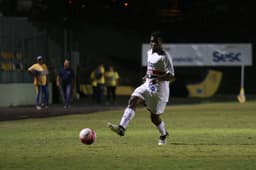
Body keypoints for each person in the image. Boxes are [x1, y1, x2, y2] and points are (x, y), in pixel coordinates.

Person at [108, 31, 175, 145]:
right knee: (133, 99)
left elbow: (171, 74)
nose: (153, 43)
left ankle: (163, 135)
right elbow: (151, 69)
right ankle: (122, 128)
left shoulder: (165, 56)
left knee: (154, 117)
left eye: (156, 41)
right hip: (148, 85)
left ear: (161, 43)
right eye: (151, 41)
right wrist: (147, 76)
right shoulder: (149, 53)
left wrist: (157, 79)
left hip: (160, 91)